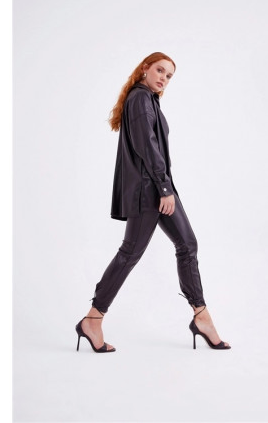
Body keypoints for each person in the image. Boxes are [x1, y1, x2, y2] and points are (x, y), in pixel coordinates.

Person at [75, 52, 231, 352]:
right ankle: (93, 319)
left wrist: (164, 186)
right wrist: (164, 187)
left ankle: (201, 316)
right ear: (145, 69)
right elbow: (147, 146)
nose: (164, 78)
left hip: (156, 187)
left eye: (169, 76)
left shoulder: (147, 99)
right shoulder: (140, 99)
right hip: (150, 190)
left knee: (187, 244)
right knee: (131, 253)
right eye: (160, 70)